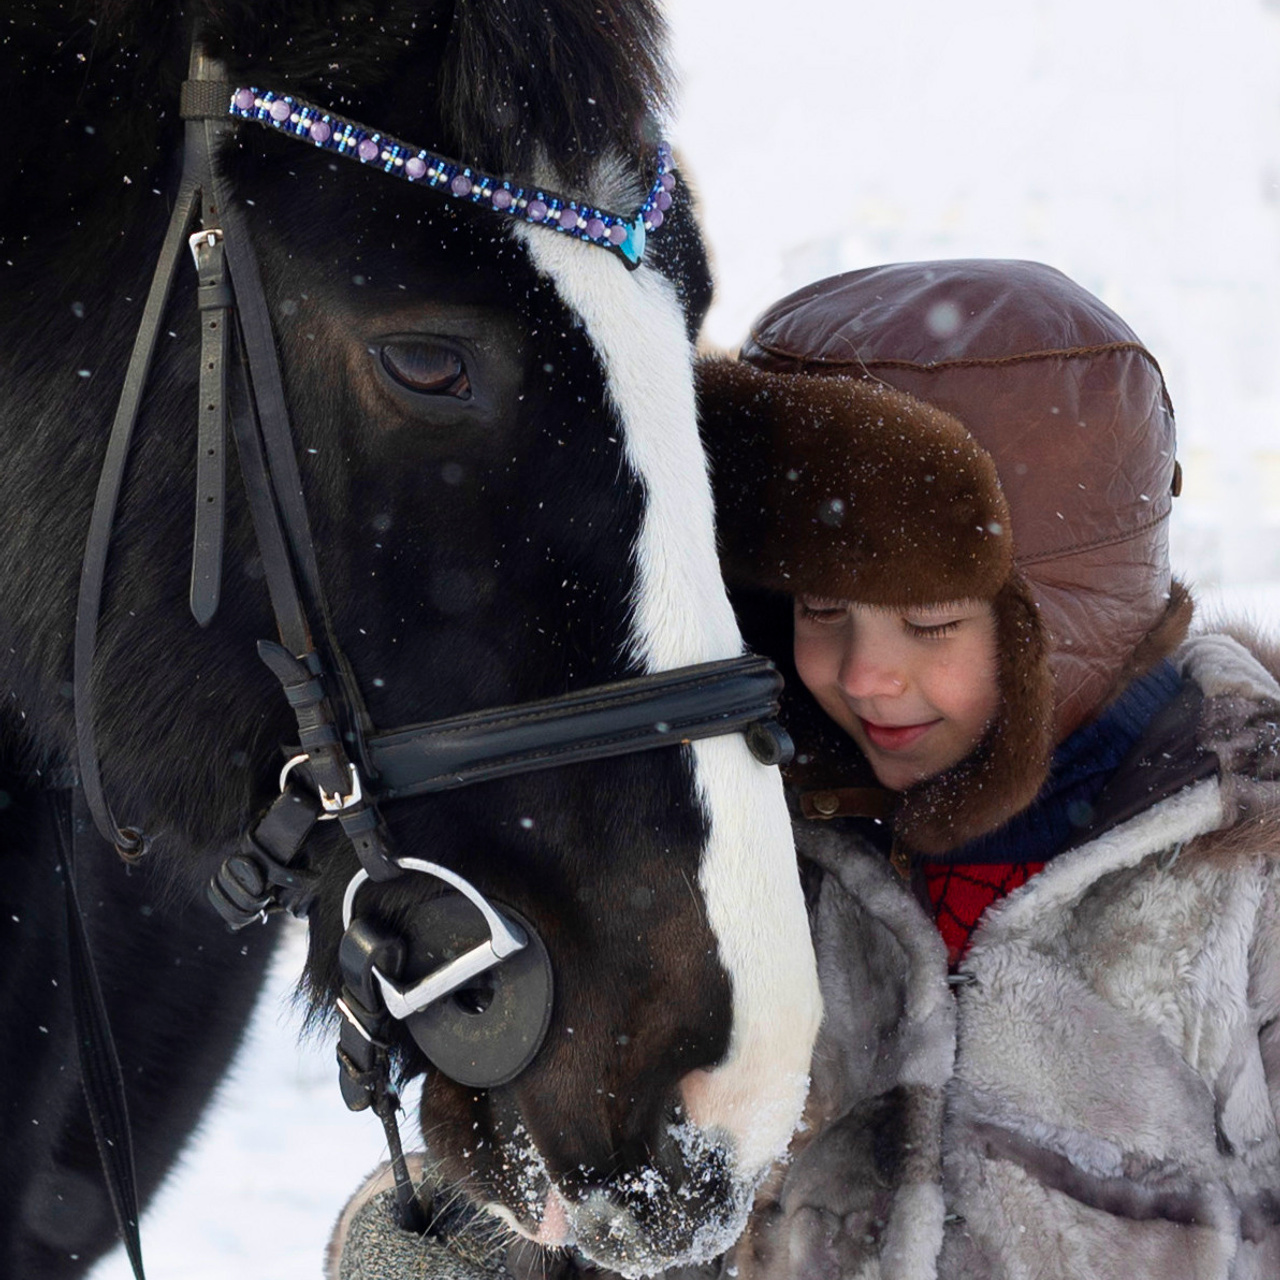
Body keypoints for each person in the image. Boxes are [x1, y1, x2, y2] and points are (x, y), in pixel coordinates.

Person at [696, 259, 1280, 1279]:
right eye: (819, 610)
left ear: (1069, 623)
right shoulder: (765, 845)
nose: (864, 674)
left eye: (929, 622)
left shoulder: (1247, 859)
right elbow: (637, 1169)